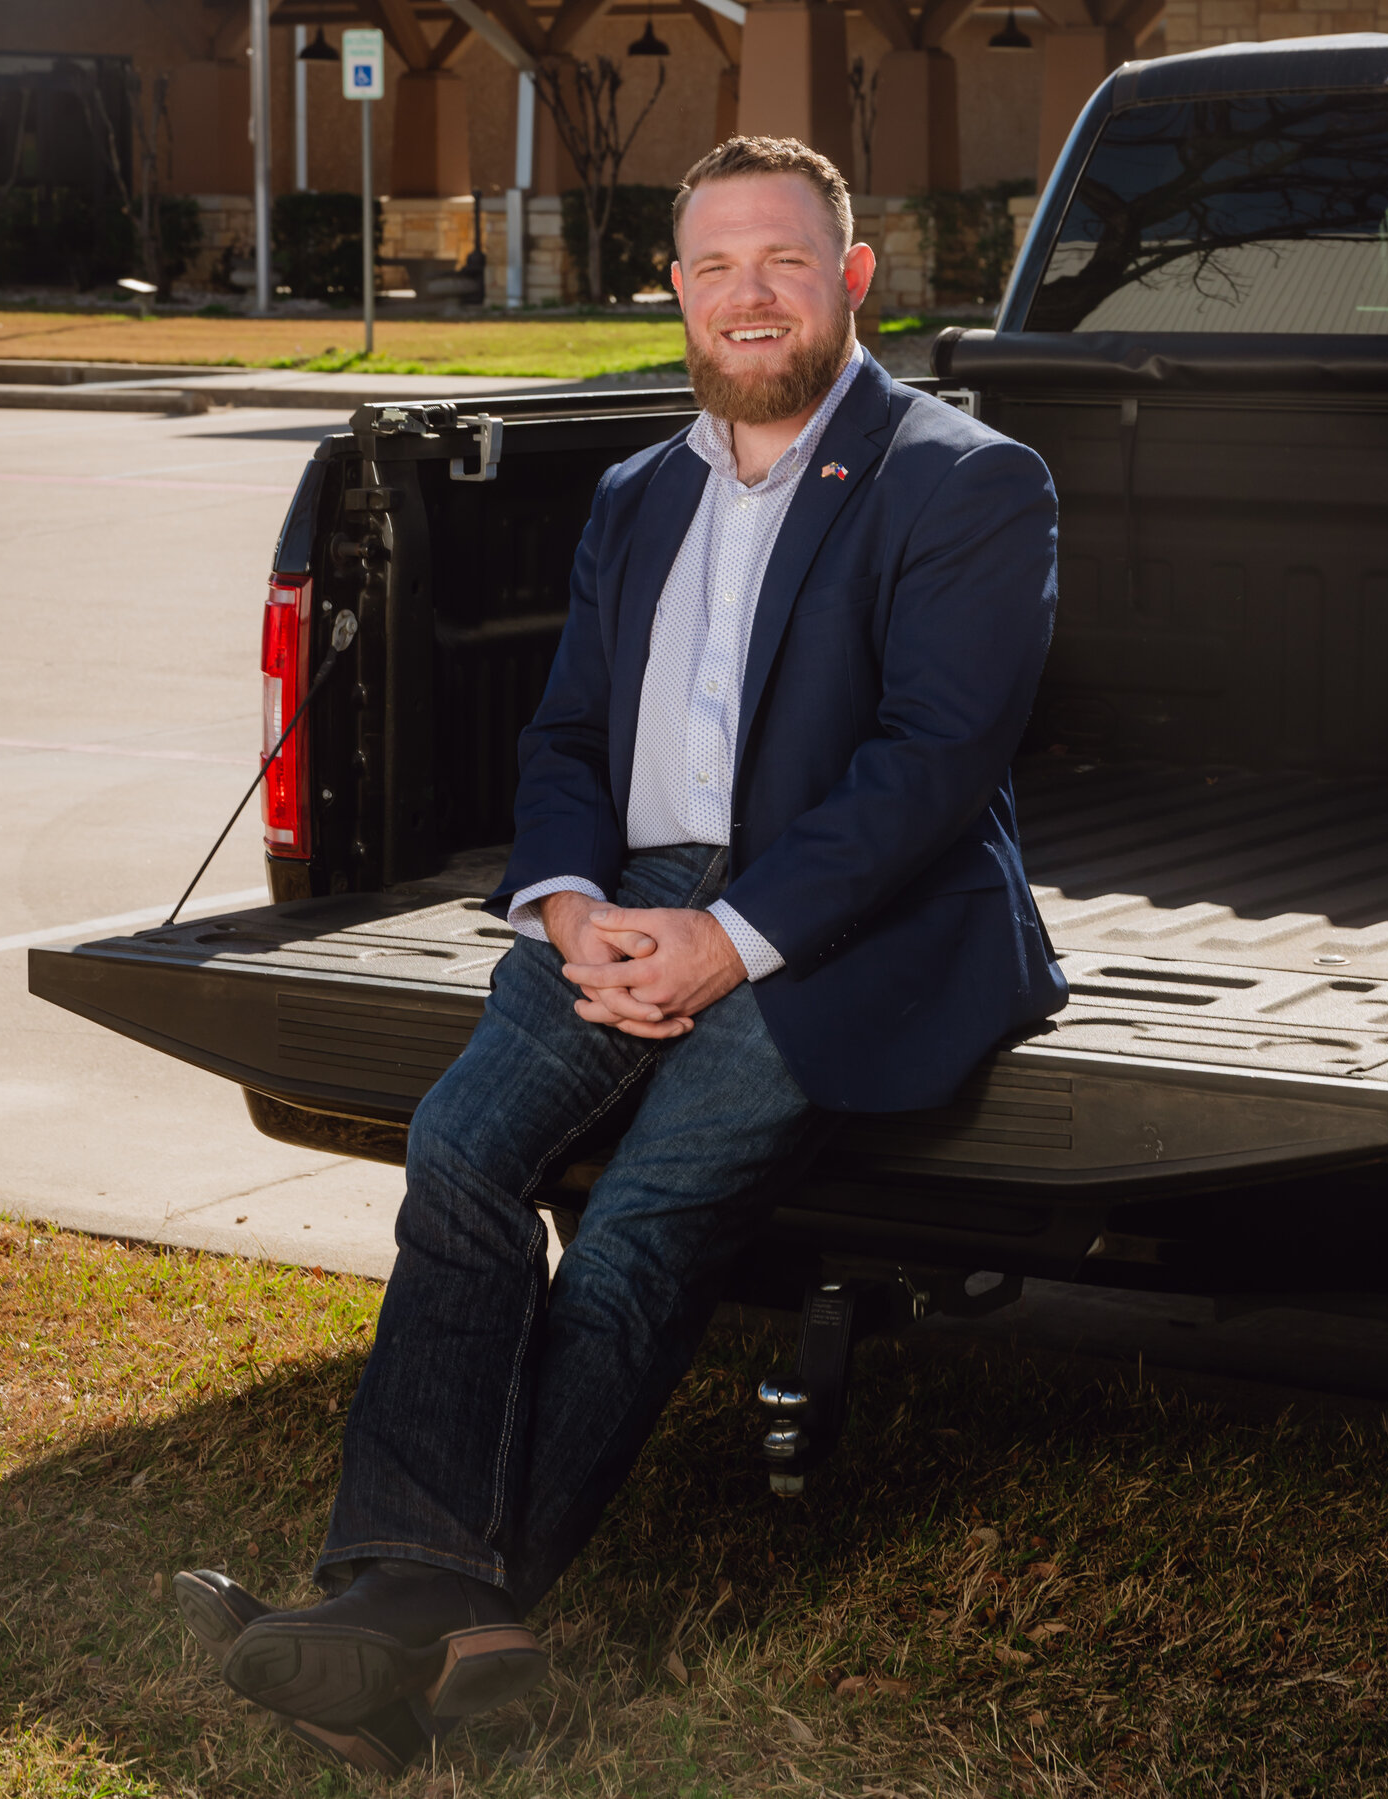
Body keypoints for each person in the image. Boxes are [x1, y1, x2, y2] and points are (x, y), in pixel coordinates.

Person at [173, 133, 1066, 1773]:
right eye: (715, 265)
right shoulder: (636, 493)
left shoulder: (966, 478)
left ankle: (395, 1620)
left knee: (645, 1218)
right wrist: (572, 903)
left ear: (855, 278)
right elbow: (571, 734)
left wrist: (729, 939)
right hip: (630, 892)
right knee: (461, 1148)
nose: (749, 295)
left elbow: (934, 766)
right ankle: (444, 1619)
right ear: (675, 290)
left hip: (853, 921)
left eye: (784, 261)